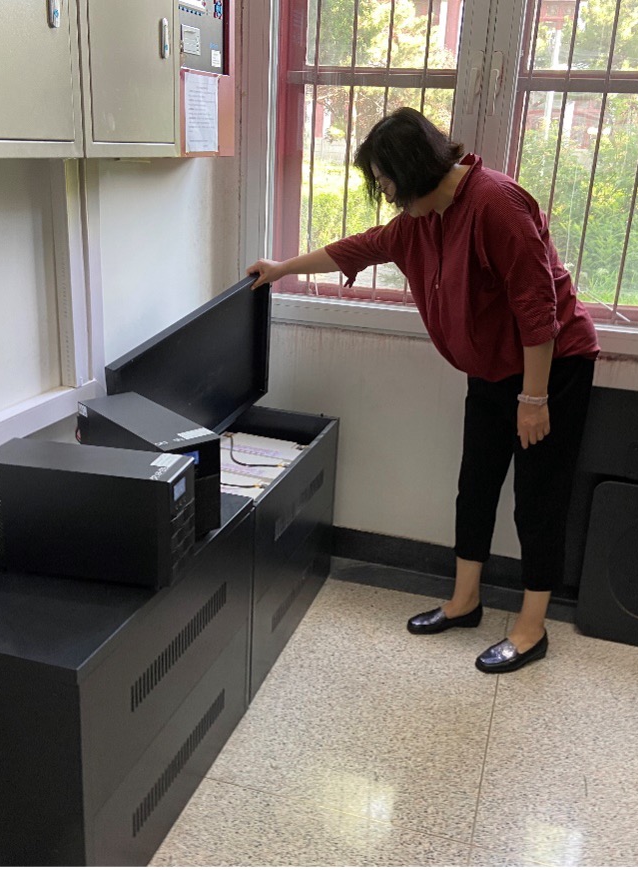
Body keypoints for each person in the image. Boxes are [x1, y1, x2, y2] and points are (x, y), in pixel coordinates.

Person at [247, 108, 599, 674]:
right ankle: (465, 602)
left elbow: (539, 311)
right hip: (493, 369)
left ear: (412, 169)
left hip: (551, 367)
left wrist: (534, 400)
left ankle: (532, 628)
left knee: (539, 497)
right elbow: (360, 247)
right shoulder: (424, 217)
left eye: (385, 180)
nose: (384, 193)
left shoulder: (496, 204)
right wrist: (282, 268)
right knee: (475, 484)